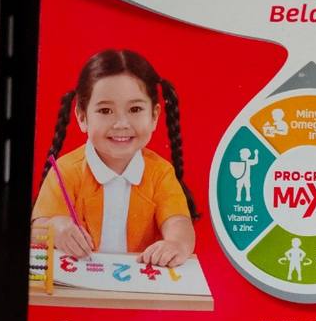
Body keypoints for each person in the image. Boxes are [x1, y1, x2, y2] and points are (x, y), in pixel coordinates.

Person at [32, 49, 198, 266]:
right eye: (105, 111)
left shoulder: (160, 172)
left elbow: (179, 222)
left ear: (154, 116)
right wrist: (57, 228)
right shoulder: (65, 170)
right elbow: (37, 228)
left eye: (135, 109)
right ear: (82, 117)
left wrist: (177, 244)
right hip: (80, 280)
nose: (121, 124)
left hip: (138, 282)